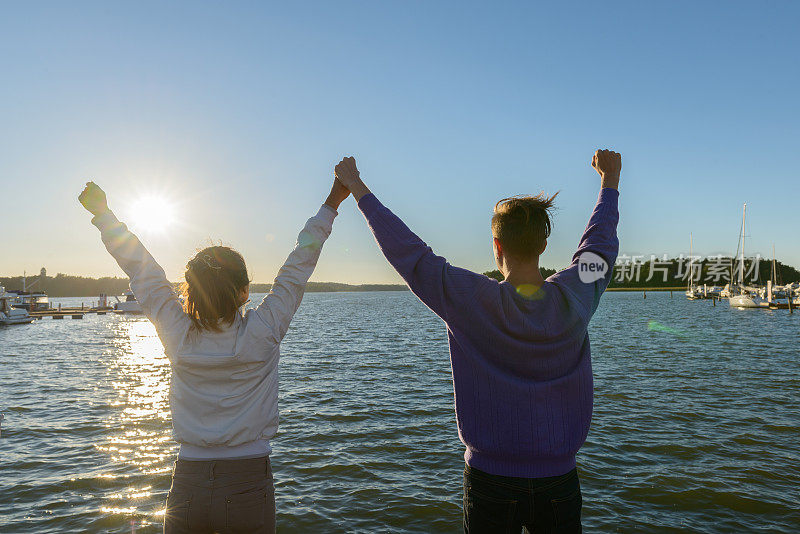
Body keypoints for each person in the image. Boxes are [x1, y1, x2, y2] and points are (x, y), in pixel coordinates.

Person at [333, 150, 621, 533]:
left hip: (490, 482)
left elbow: (411, 255)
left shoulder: (471, 299)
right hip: (559, 482)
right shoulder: (577, 294)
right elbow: (599, 247)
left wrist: (357, 188)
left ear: (497, 247)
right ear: (542, 246)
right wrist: (609, 181)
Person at [79, 177, 350, 533]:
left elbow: (141, 269)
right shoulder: (263, 331)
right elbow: (298, 266)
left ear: (191, 291)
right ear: (244, 292)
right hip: (248, 483)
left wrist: (103, 214)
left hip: (187, 486)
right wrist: (333, 200)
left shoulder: (179, 335)